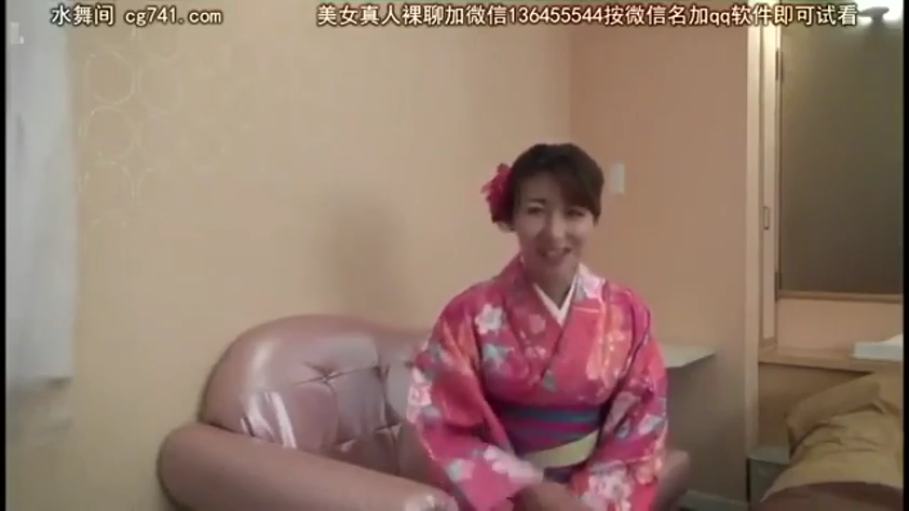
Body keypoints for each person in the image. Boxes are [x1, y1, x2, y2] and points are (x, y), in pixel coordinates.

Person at [405, 143, 668, 511]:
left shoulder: (627, 313)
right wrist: (528, 489)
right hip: (504, 499)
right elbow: (438, 423)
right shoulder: (467, 315)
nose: (555, 232)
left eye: (574, 213)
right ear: (512, 216)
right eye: (535, 211)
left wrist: (582, 501)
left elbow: (642, 422)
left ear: (593, 220)